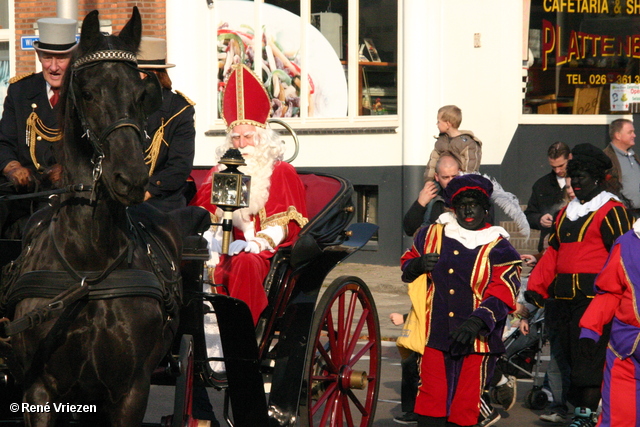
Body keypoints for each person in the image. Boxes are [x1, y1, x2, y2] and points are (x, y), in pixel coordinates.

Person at [525, 143, 633, 427]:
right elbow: (553, 255)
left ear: (597, 178)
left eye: (580, 177)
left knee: (589, 359)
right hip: (561, 301)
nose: (574, 183)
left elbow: (625, 257)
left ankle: (586, 413)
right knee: (567, 359)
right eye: (572, 178)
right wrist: (534, 293)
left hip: (594, 300)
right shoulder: (565, 214)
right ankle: (576, 409)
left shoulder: (612, 210)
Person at [400, 174, 521, 427]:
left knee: (463, 408)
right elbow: (406, 265)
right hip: (435, 335)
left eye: (473, 204)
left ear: (485, 209)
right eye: (462, 204)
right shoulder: (431, 235)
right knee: (431, 404)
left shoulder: (500, 248)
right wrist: (418, 265)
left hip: (477, 342)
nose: (467, 210)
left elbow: (504, 291)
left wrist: (478, 321)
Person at [192, 63, 308, 326]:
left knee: (244, 263)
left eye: (248, 137)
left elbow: (284, 221)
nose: (242, 144)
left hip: (262, 251)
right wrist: (209, 238)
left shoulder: (280, 171)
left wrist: (257, 242)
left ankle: (240, 332)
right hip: (223, 244)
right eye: (235, 138)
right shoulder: (220, 170)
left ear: (262, 138)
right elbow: (206, 213)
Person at [0, 17, 77, 238]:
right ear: (38, 57)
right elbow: (4, 141)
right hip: (26, 193)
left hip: (70, 193)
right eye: (47, 58)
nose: (53, 67)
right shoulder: (20, 91)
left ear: (73, 59)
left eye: (61, 58)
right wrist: (12, 167)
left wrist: (70, 169)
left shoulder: (86, 95)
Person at [579, 219, 640, 427]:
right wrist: (590, 328)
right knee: (618, 418)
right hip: (627, 349)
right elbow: (610, 290)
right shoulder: (627, 243)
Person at [137, 36, 196, 212]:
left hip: (161, 202)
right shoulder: (122, 106)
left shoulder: (179, 110)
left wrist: (148, 191)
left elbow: (180, 166)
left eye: (137, 73)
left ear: (154, 75)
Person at [524, 141, 572, 254]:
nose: (558, 171)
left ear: (570, 157)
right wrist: (540, 219)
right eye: (553, 167)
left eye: (561, 166)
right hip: (547, 249)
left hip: (571, 247)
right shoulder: (541, 185)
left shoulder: (580, 182)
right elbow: (529, 215)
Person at [403, 154, 460, 236]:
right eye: (445, 177)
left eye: (454, 176)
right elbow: (409, 229)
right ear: (437, 177)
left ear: (460, 172)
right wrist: (420, 203)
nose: (450, 181)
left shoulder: (470, 194)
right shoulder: (432, 195)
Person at [423, 105, 482, 181]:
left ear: (448, 124)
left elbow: (471, 165)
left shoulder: (467, 143)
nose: (437, 124)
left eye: (438, 122)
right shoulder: (441, 142)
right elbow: (433, 162)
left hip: (461, 181)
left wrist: (465, 181)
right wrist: (429, 180)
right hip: (442, 180)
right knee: (430, 191)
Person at [603, 118, 640, 216]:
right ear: (618, 135)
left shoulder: (634, 156)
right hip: (622, 214)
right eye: (630, 132)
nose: (634, 135)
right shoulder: (606, 158)